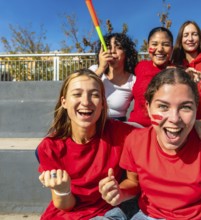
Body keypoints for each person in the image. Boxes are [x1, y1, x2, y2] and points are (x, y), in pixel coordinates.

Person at [99, 68, 201, 220]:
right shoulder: (135, 141)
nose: (174, 118)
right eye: (163, 106)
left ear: (195, 109)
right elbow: (133, 182)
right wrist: (120, 193)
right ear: (148, 107)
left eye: (185, 107)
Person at [36, 69, 135, 219]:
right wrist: (62, 190)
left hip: (107, 214)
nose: (86, 102)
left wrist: (120, 192)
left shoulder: (123, 134)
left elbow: (134, 182)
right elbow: (65, 205)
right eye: (77, 94)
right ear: (64, 102)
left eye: (94, 95)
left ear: (102, 103)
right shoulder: (49, 147)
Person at [128, 27, 174, 127]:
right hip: (136, 127)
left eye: (166, 45)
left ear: (172, 48)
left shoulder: (177, 72)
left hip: (164, 129)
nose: (160, 49)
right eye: (154, 44)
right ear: (148, 46)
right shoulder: (140, 66)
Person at [89, 33, 138, 121]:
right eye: (108, 47)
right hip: (92, 123)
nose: (112, 51)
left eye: (118, 47)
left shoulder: (133, 80)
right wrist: (101, 68)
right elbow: (83, 88)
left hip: (117, 127)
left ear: (126, 53)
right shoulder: (94, 70)